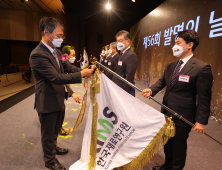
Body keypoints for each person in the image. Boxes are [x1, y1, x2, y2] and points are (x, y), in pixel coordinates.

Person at [140, 30, 213, 170]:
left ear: (189, 45)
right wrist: (151, 90)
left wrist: (201, 121)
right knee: (167, 143)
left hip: (183, 115)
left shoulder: (201, 67)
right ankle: (167, 166)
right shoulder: (171, 65)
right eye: (175, 42)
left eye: (178, 43)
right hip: (166, 112)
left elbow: (204, 97)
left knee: (178, 146)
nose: (175, 45)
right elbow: (162, 82)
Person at [29, 17, 94, 170]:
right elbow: (56, 77)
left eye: (62, 36)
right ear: (47, 33)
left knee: (55, 130)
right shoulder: (37, 54)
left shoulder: (57, 52)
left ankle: (54, 148)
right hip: (47, 102)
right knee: (48, 134)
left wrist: (87, 70)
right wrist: (82, 74)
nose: (61, 39)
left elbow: (69, 68)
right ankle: (50, 161)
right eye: (58, 36)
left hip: (58, 99)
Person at [59, 45, 82, 136]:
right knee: (60, 108)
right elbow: (62, 80)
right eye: (72, 55)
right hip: (52, 90)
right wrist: (72, 94)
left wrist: (84, 71)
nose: (74, 57)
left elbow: (71, 68)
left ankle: (58, 127)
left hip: (60, 88)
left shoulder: (63, 60)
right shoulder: (61, 60)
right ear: (66, 55)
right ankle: (58, 128)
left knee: (62, 107)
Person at [112, 30, 138, 96]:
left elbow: (129, 78)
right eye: (117, 41)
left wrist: (123, 94)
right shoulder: (121, 54)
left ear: (128, 41)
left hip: (122, 91)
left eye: (120, 40)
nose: (118, 43)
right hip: (116, 88)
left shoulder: (131, 55)